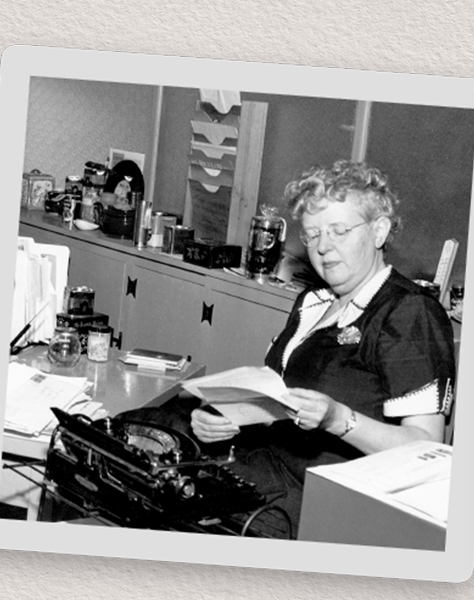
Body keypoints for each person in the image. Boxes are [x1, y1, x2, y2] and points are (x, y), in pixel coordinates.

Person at [181, 160, 458, 535]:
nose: (323, 248)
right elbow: (280, 401)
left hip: (324, 499)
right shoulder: (313, 302)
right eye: (311, 236)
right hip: (263, 468)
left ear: (379, 231)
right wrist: (227, 416)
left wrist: (339, 419)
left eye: (339, 231)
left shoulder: (409, 312)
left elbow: (425, 448)